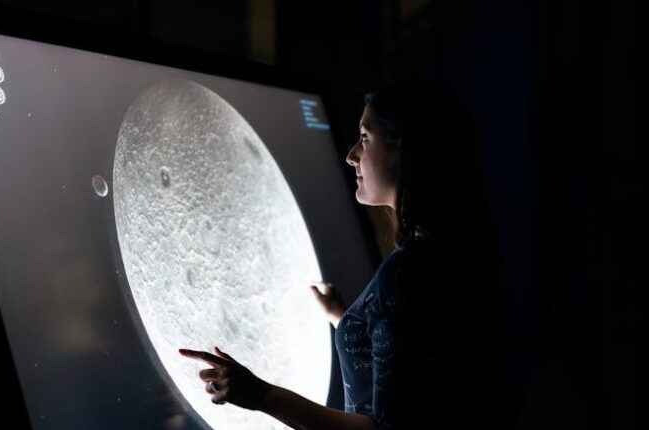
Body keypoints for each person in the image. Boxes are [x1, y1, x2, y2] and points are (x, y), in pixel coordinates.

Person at [179, 79, 500, 430]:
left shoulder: (408, 273)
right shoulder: (447, 254)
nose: (351, 156)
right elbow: (415, 370)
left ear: (404, 147)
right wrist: (345, 317)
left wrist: (261, 395)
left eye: (364, 138)